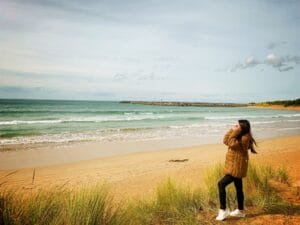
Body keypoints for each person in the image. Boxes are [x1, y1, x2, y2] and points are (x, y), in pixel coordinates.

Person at [215, 119, 257, 221]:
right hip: (236, 166)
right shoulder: (239, 136)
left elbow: (232, 143)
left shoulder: (245, 138)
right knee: (238, 187)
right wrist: (232, 130)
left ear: (242, 128)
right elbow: (226, 141)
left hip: (236, 168)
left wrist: (234, 132)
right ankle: (240, 211)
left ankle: (223, 210)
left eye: (237, 125)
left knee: (221, 184)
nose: (235, 126)